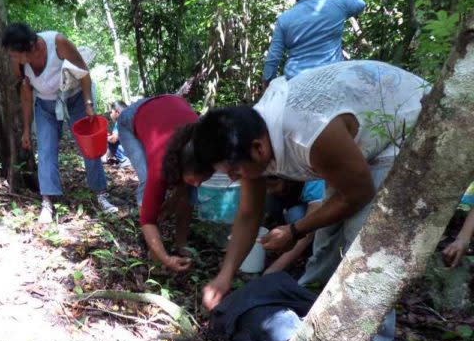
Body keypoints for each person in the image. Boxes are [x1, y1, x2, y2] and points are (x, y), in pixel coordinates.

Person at [173, 60, 430, 309]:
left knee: (362, 243)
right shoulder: (250, 136)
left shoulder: (308, 136)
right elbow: (249, 214)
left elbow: (358, 194)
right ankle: (310, 303)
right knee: (327, 238)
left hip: (405, 120)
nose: (232, 178)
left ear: (258, 149)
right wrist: (224, 277)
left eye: (233, 171)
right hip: (353, 140)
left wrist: (295, 230)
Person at [1, 22, 118, 224]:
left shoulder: (57, 43)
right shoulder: (18, 61)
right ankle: (47, 202)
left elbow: (83, 71)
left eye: (16, 54)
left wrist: (89, 102)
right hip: (45, 104)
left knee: (88, 147)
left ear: (31, 46)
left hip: (75, 98)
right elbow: (26, 94)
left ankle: (100, 194)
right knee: (45, 150)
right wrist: (27, 129)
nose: (14, 59)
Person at [116, 95, 212, 272]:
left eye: (204, 177)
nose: (199, 184)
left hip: (169, 105)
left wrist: (178, 196)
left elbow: (190, 179)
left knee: (190, 189)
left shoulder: (205, 146)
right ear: (178, 166)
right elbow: (147, 220)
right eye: (195, 178)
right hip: (131, 118)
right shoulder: (161, 165)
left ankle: (181, 242)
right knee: (148, 183)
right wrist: (165, 258)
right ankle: (153, 249)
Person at [262, 0, 365, 86]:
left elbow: (273, 59)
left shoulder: (285, 19)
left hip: (296, 84)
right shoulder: (338, 5)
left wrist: (266, 85)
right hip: (332, 82)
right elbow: (359, 3)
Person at [263, 178, 324, 274]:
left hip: (321, 206)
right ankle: (285, 239)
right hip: (295, 194)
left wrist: (273, 270)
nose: (270, 190)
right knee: (270, 202)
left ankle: (303, 251)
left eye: (274, 185)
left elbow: (308, 234)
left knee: (295, 216)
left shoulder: (314, 180)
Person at [106, 101, 130, 166]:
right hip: (137, 149)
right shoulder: (129, 118)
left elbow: (113, 140)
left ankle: (124, 160)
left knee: (110, 141)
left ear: (117, 112)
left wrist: (104, 137)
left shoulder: (120, 122)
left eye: (111, 112)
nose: (110, 114)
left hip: (129, 151)